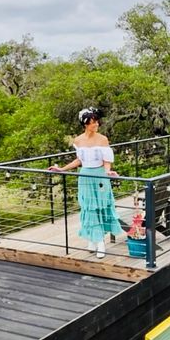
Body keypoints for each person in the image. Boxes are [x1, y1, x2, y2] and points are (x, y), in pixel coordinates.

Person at [48, 107, 124, 258]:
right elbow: (79, 160)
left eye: (97, 122)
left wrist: (108, 171)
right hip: (85, 176)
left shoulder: (103, 139)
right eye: (93, 123)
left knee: (100, 207)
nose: (96, 125)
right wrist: (62, 169)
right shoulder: (78, 140)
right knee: (88, 208)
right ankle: (93, 238)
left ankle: (100, 241)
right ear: (85, 124)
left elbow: (107, 160)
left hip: (100, 176)